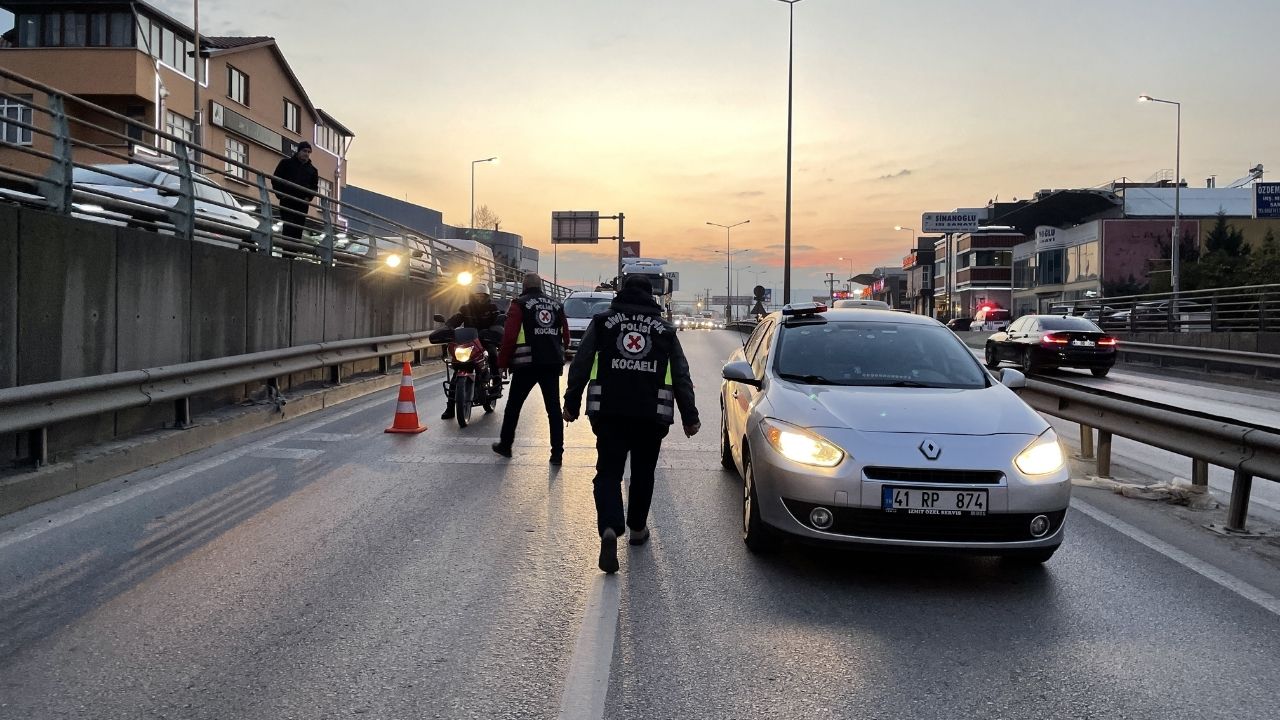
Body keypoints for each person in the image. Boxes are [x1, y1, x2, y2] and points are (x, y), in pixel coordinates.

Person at [563, 275, 700, 574]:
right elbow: (681, 374)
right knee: (642, 472)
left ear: (621, 293)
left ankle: (610, 527)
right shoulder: (664, 330)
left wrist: (571, 403)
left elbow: (581, 363)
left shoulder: (601, 323)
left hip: (609, 411)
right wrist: (690, 417)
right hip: (651, 414)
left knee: (608, 473)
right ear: (652, 297)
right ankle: (637, 529)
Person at [492, 273, 570, 463]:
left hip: (526, 364)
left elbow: (509, 336)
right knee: (553, 409)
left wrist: (502, 363)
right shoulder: (556, 305)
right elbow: (565, 336)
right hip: (551, 364)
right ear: (541, 286)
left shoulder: (519, 304)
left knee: (513, 407)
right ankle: (557, 453)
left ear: (524, 286)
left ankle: (506, 445)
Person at [441, 283, 503, 420]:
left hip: (486, 340)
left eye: (482, 295)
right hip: (469, 341)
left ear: (487, 296)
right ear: (472, 296)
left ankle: (496, 381)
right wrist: (448, 327)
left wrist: (496, 328)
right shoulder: (466, 309)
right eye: (477, 295)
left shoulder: (492, 308)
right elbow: (456, 319)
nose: (479, 298)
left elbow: (499, 320)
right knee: (457, 370)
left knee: (493, 353)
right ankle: (450, 408)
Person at [271, 142, 319, 243]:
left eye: (309, 152)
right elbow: (275, 178)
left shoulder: (313, 170)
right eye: (304, 151)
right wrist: (280, 194)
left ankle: (293, 256)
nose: (306, 154)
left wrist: (308, 198)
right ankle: (286, 254)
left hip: (302, 204)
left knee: (298, 229)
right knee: (288, 227)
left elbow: (314, 188)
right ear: (298, 151)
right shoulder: (286, 163)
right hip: (287, 201)